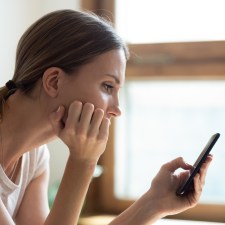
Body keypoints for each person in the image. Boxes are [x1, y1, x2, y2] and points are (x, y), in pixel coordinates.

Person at [0, 9, 212, 225]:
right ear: (54, 82)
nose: (117, 109)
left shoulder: (34, 157)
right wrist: (83, 161)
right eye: (107, 86)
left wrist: (153, 204)